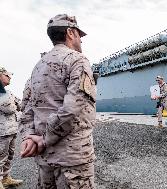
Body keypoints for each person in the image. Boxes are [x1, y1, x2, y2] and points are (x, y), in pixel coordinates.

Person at [19, 14, 97, 188]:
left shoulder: (37, 66)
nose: (81, 41)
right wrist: (44, 139)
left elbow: (27, 108)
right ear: (70, 33)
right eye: (79, 35)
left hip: (45, 159)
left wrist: (29, 138)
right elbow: (72, 109)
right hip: (72, 159)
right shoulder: (77, 60)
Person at [0, 67, 23, 189]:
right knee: (1, 157)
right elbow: (9, 108)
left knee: (9, 156)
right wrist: (14, 104)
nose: (10, 77)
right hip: (2, 132)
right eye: (7, 75)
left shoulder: (6, 92)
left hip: (11, 130)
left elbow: (21, 104)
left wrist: (15, 104)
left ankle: (5, 178)